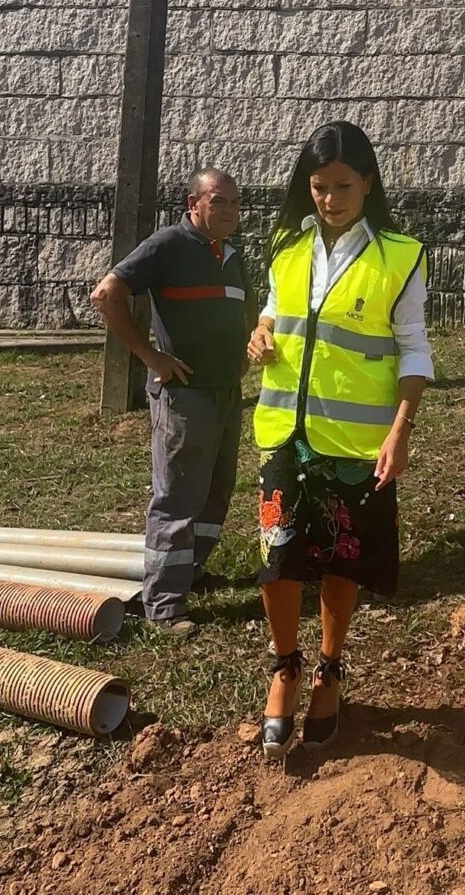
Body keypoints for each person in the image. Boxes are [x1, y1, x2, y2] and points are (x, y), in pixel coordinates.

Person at [247, 121, 433, 758]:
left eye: (343, 186)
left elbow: (414, 349)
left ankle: (329, 668)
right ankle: (285, 667)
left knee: (340, 561)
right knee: (277, 558)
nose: (330, 199)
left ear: (369, 183)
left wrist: (401, 431)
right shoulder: (286, 246)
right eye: (319, 186)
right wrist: (260, 333)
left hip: (355, 444)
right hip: (285, 433)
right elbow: (273, 310)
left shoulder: (399, 256)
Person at [90, 168, 256, 637]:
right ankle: (163, 606)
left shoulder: (231, 253)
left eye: (235, 203)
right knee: (178, 497)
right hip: (185, 395)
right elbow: (106, 295)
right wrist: (150, 355)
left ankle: (191, 571)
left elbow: (244, 311)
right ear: (193, 203)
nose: (229, 211)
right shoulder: (168, 245)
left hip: (226, 392)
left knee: (215, 492)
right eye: (218, 202)